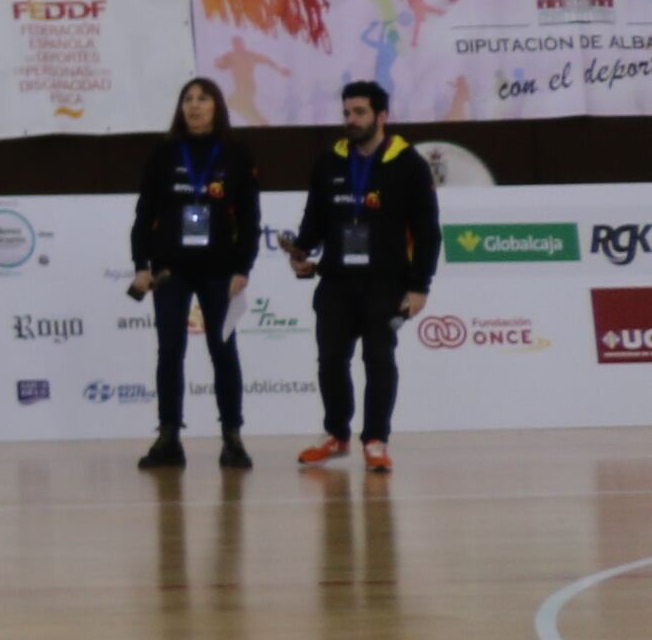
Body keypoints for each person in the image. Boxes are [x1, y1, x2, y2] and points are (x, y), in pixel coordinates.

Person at [282, 78, 440, 472]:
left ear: (382, 116)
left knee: (378, 360)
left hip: (386, 283)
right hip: (335, 282)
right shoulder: (329, 161)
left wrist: (419, 287)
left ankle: (375, 440)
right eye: (346, 113)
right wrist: (302, 252)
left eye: (359, 112)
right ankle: (336, 434)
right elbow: (314, 220)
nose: (351, 120)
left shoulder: (410, 164)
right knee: (331, 360)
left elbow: (427, 232)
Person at [125, 76, 262, 474]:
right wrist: (141, 265)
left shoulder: (236, 154)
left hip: (219, 270)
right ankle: (169, 438)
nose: (195, 105)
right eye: (188, 98)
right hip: (170, 271)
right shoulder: (164, 152)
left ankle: (232, 438)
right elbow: (144, 214)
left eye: (203, 98)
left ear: (217, 106)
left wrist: (243, 268)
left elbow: (250, 220)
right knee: (170, 351)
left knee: (223, 351)